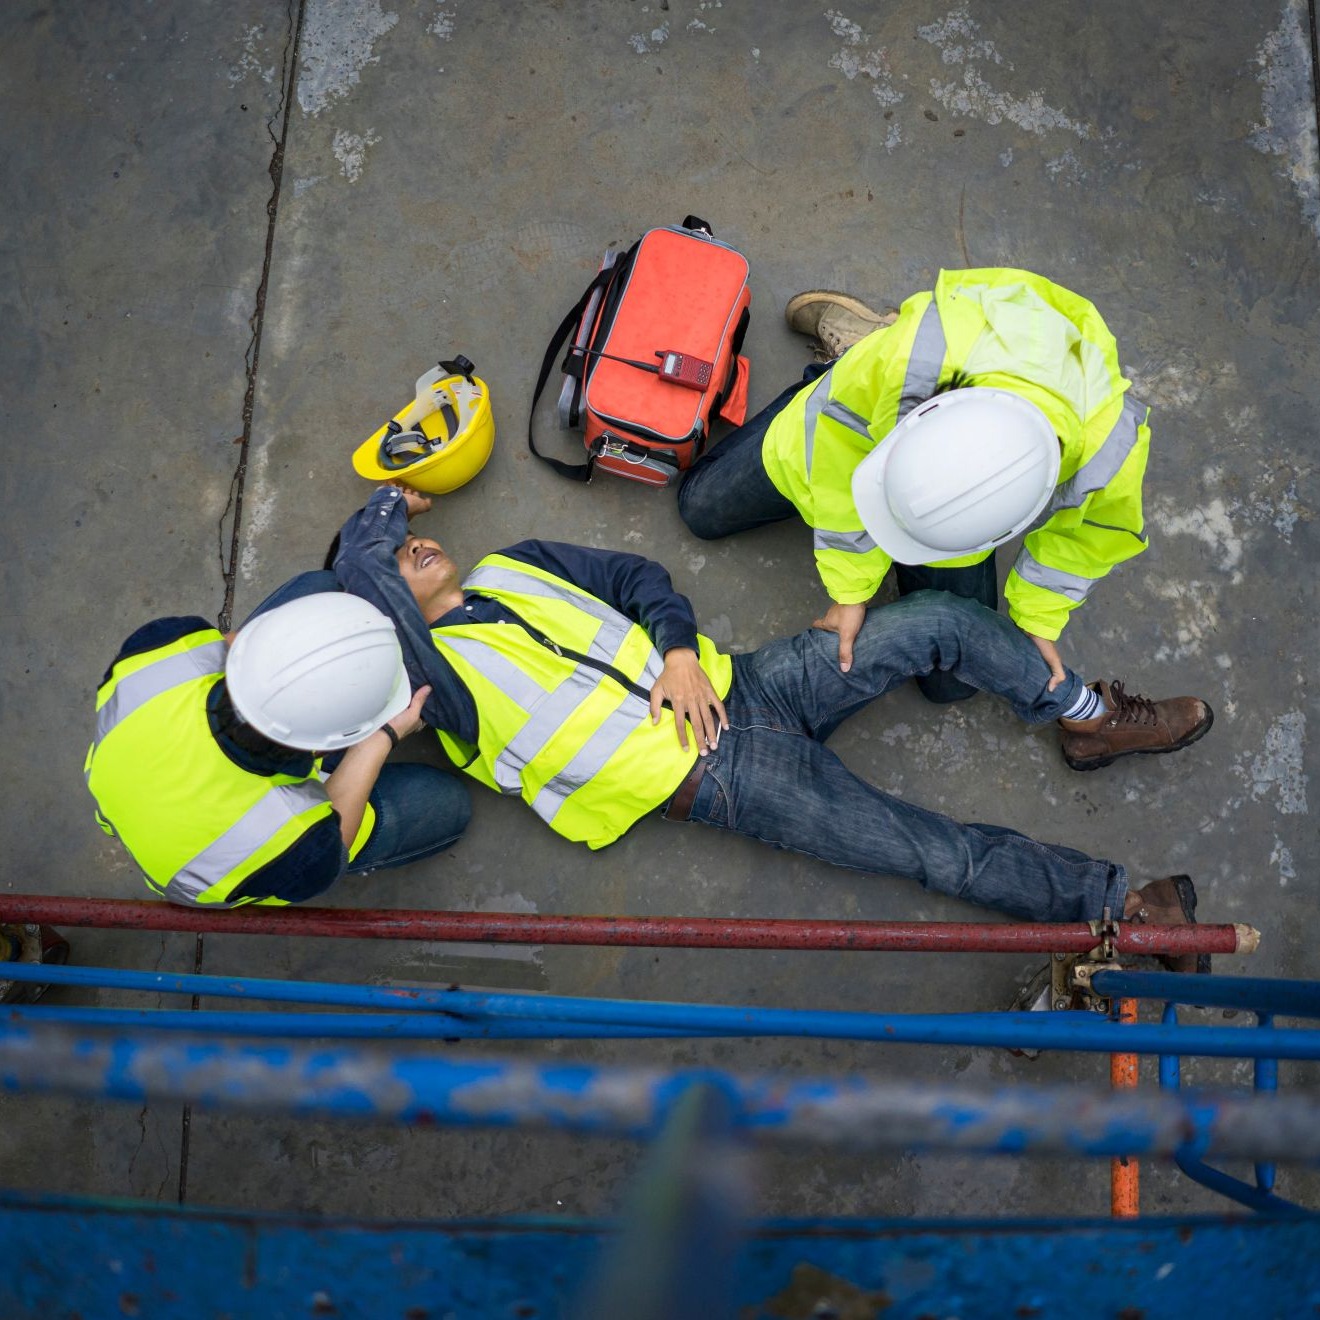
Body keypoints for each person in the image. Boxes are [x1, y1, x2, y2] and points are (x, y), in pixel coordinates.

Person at [332, 484, 1211, 969]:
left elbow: (636, 575)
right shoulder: (428, 688)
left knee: (937, 618)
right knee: (935, 853)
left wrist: (677, 651)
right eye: (394, 560)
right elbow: (380, 596)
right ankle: (1123, 907)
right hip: (725, 784)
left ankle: (1086, 717)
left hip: (751, 682)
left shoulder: (512, 566)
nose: (414, 546)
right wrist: (379, 519)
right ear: (381, 608)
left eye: (409, 538)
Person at [677, 269, 1192, 751]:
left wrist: (1039, 616)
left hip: (938, 416)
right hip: (861, 399)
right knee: (701, 508)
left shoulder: (1111, 442)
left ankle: (860, 351)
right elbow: (832, 460)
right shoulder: (910, 360)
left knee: (951, 687)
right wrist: (850, 590)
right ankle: (851, 352)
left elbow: (1089, 539)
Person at [86, 577, 471, 909]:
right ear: (329, 745)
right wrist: (382, 737)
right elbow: (333, 847)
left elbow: (233, 644)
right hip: (203, 872)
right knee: (444, 805)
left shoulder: (163, 644)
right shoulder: (295, 843)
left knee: (319, 588)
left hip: (130, 787)